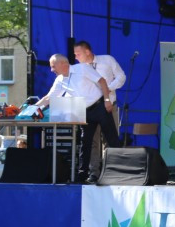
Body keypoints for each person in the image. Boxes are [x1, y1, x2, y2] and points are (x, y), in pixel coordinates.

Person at [36, 53, 121, 183]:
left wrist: (107, 100)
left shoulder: (82, 68)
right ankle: (83, 175)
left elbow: (102, 81)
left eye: (53, 66)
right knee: (85, 143)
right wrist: (31, 109)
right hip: (83, 111)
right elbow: (48, 97)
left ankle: (118, 173)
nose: (52, 70)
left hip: (100, 107)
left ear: (63, 63)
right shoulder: (59, 80)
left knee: (111, 140)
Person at [73, 41, 127, 178]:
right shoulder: (79, 68)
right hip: (89, 108)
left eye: (78, 53)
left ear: (87, 52)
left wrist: (108, 89)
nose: (76, 57)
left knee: (110, 139)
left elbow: (121, 76)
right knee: (91, 141)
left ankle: (112, 172)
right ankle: (93, 173)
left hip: (108, 105)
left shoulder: (107, 60)